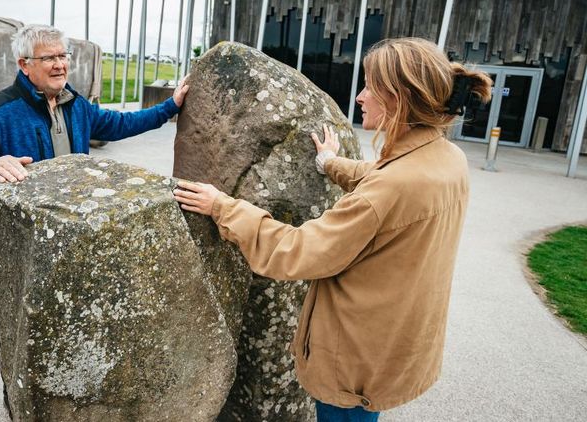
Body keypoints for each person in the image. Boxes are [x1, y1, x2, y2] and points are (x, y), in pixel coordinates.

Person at [174, 37, 492, 421]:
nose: (360, 96)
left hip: (355, 358)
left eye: (371, 87)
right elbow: (386, 181)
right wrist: (332, 164)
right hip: (392, 345)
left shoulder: (393, 187)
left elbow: (300, 250)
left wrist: (222, 207)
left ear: (399, 98)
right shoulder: (447, 159)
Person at [0, 24, 188, 187]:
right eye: (49, 58)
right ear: (24, 65)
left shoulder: (75, 104)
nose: (60, 65)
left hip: (73, 218)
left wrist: (170, 107)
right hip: (29, 232)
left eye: (62, 56)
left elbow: (121, 124)